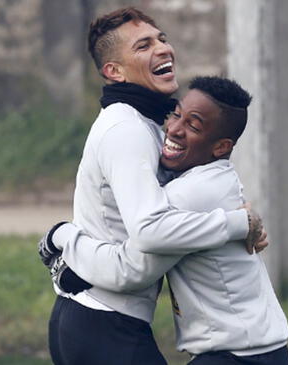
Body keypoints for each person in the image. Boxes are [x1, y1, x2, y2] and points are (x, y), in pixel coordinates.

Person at [37, 7, 268, 365]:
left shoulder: (148, 122)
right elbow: (148, 238)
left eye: (161, 38)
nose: (162, 49)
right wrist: (63, 241)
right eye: (143, 46)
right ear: (114, 71)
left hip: (94, 319)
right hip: (104, 322)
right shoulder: (126, 130)